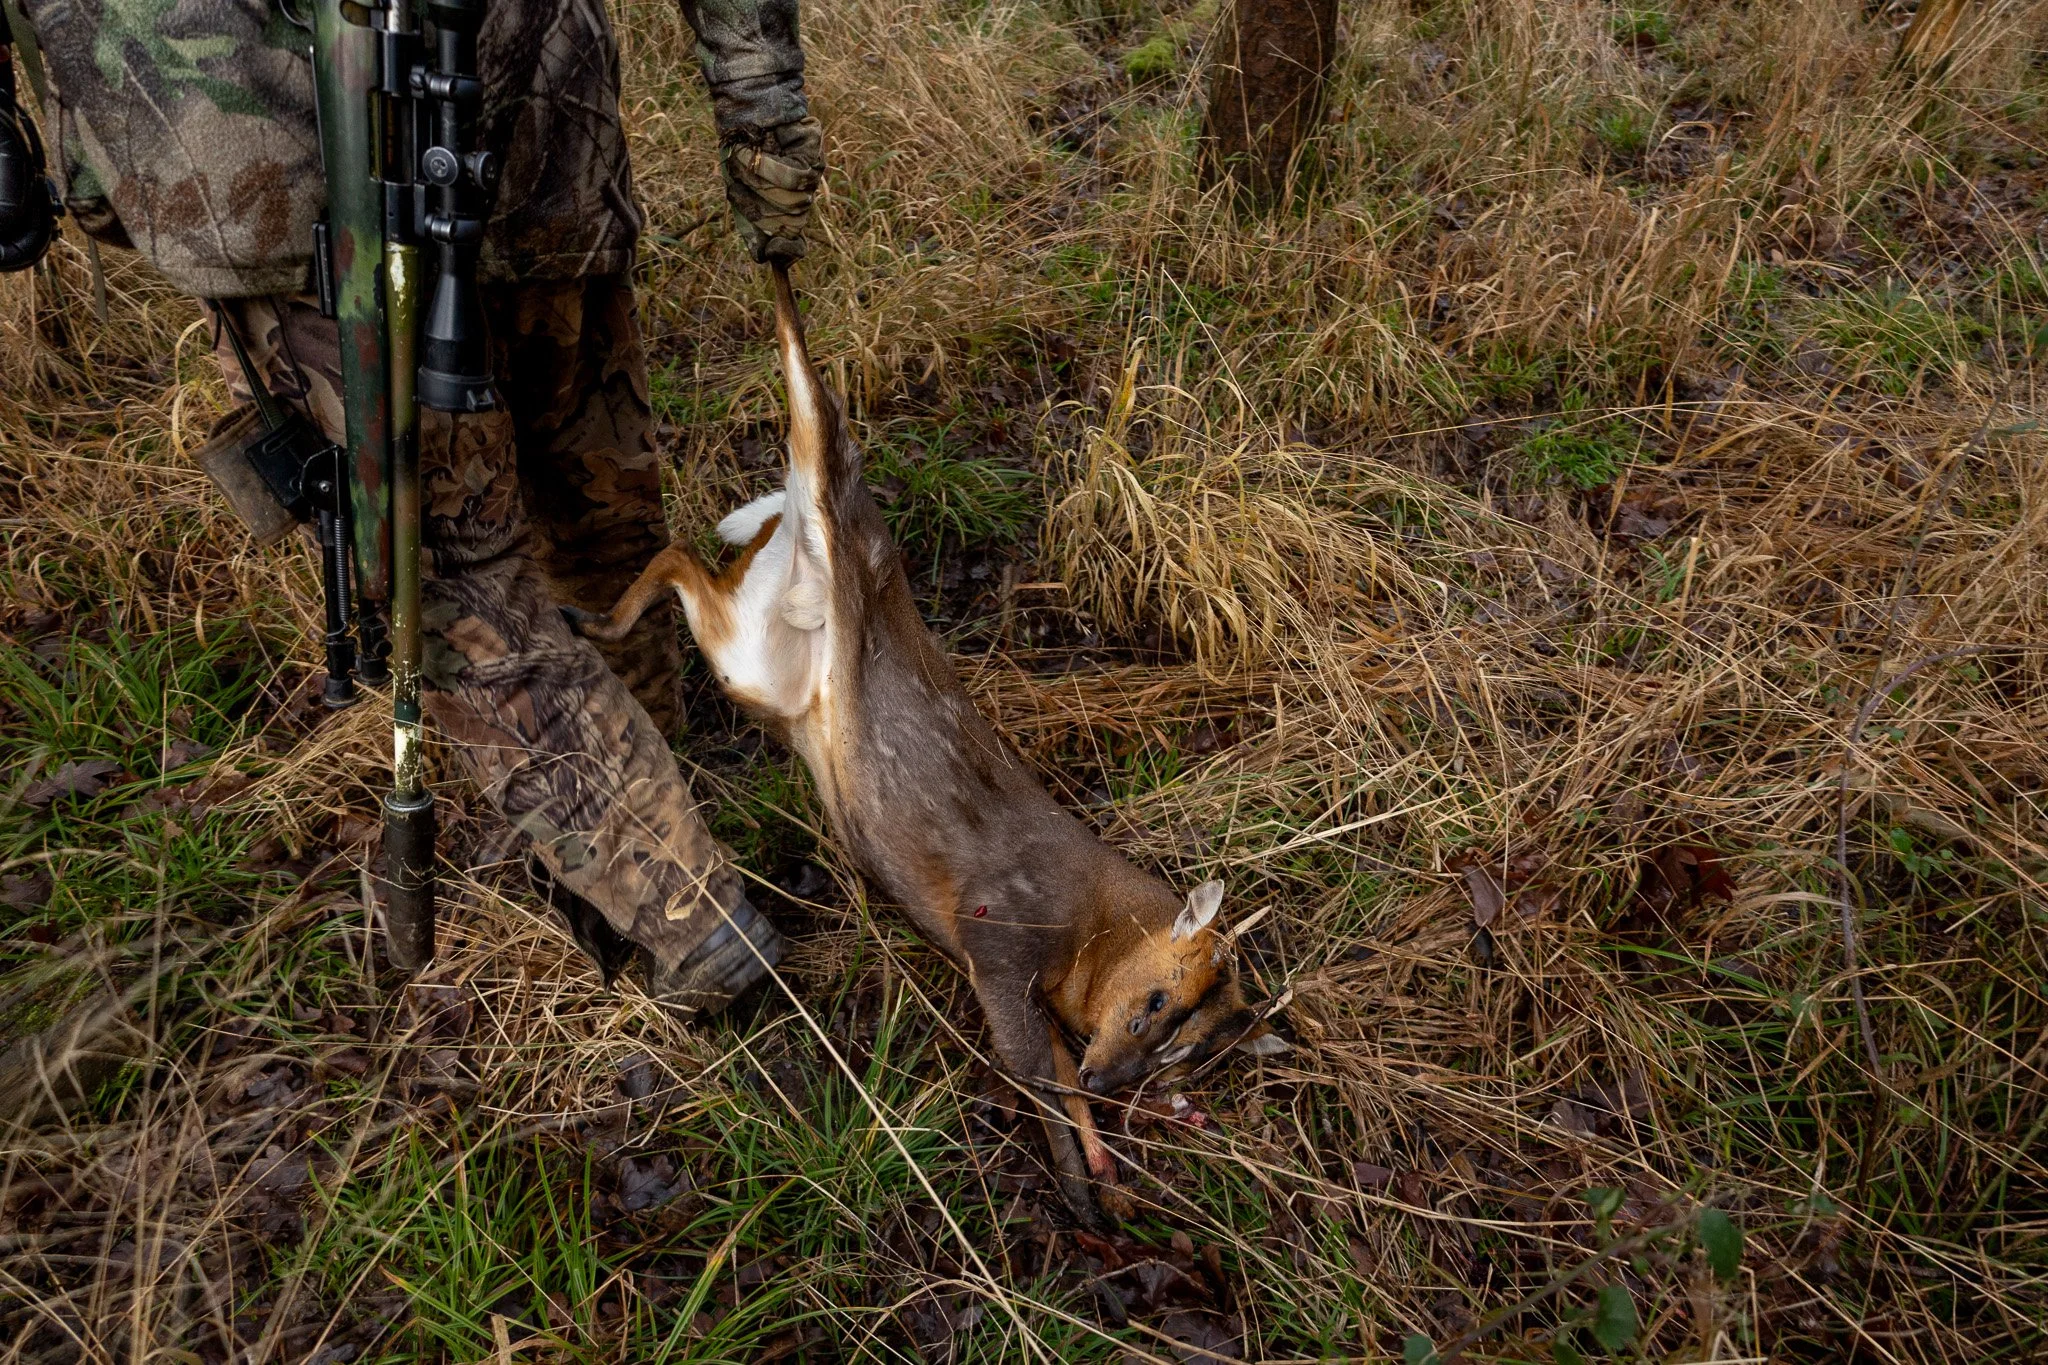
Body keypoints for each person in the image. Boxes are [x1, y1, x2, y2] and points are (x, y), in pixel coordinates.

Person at [4, 0, 824, 1009]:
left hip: (284, 178)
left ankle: (689, 922)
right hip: (529, 115)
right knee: (587, 503)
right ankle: (654, 828)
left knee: (450, 584)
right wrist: (762, 124)